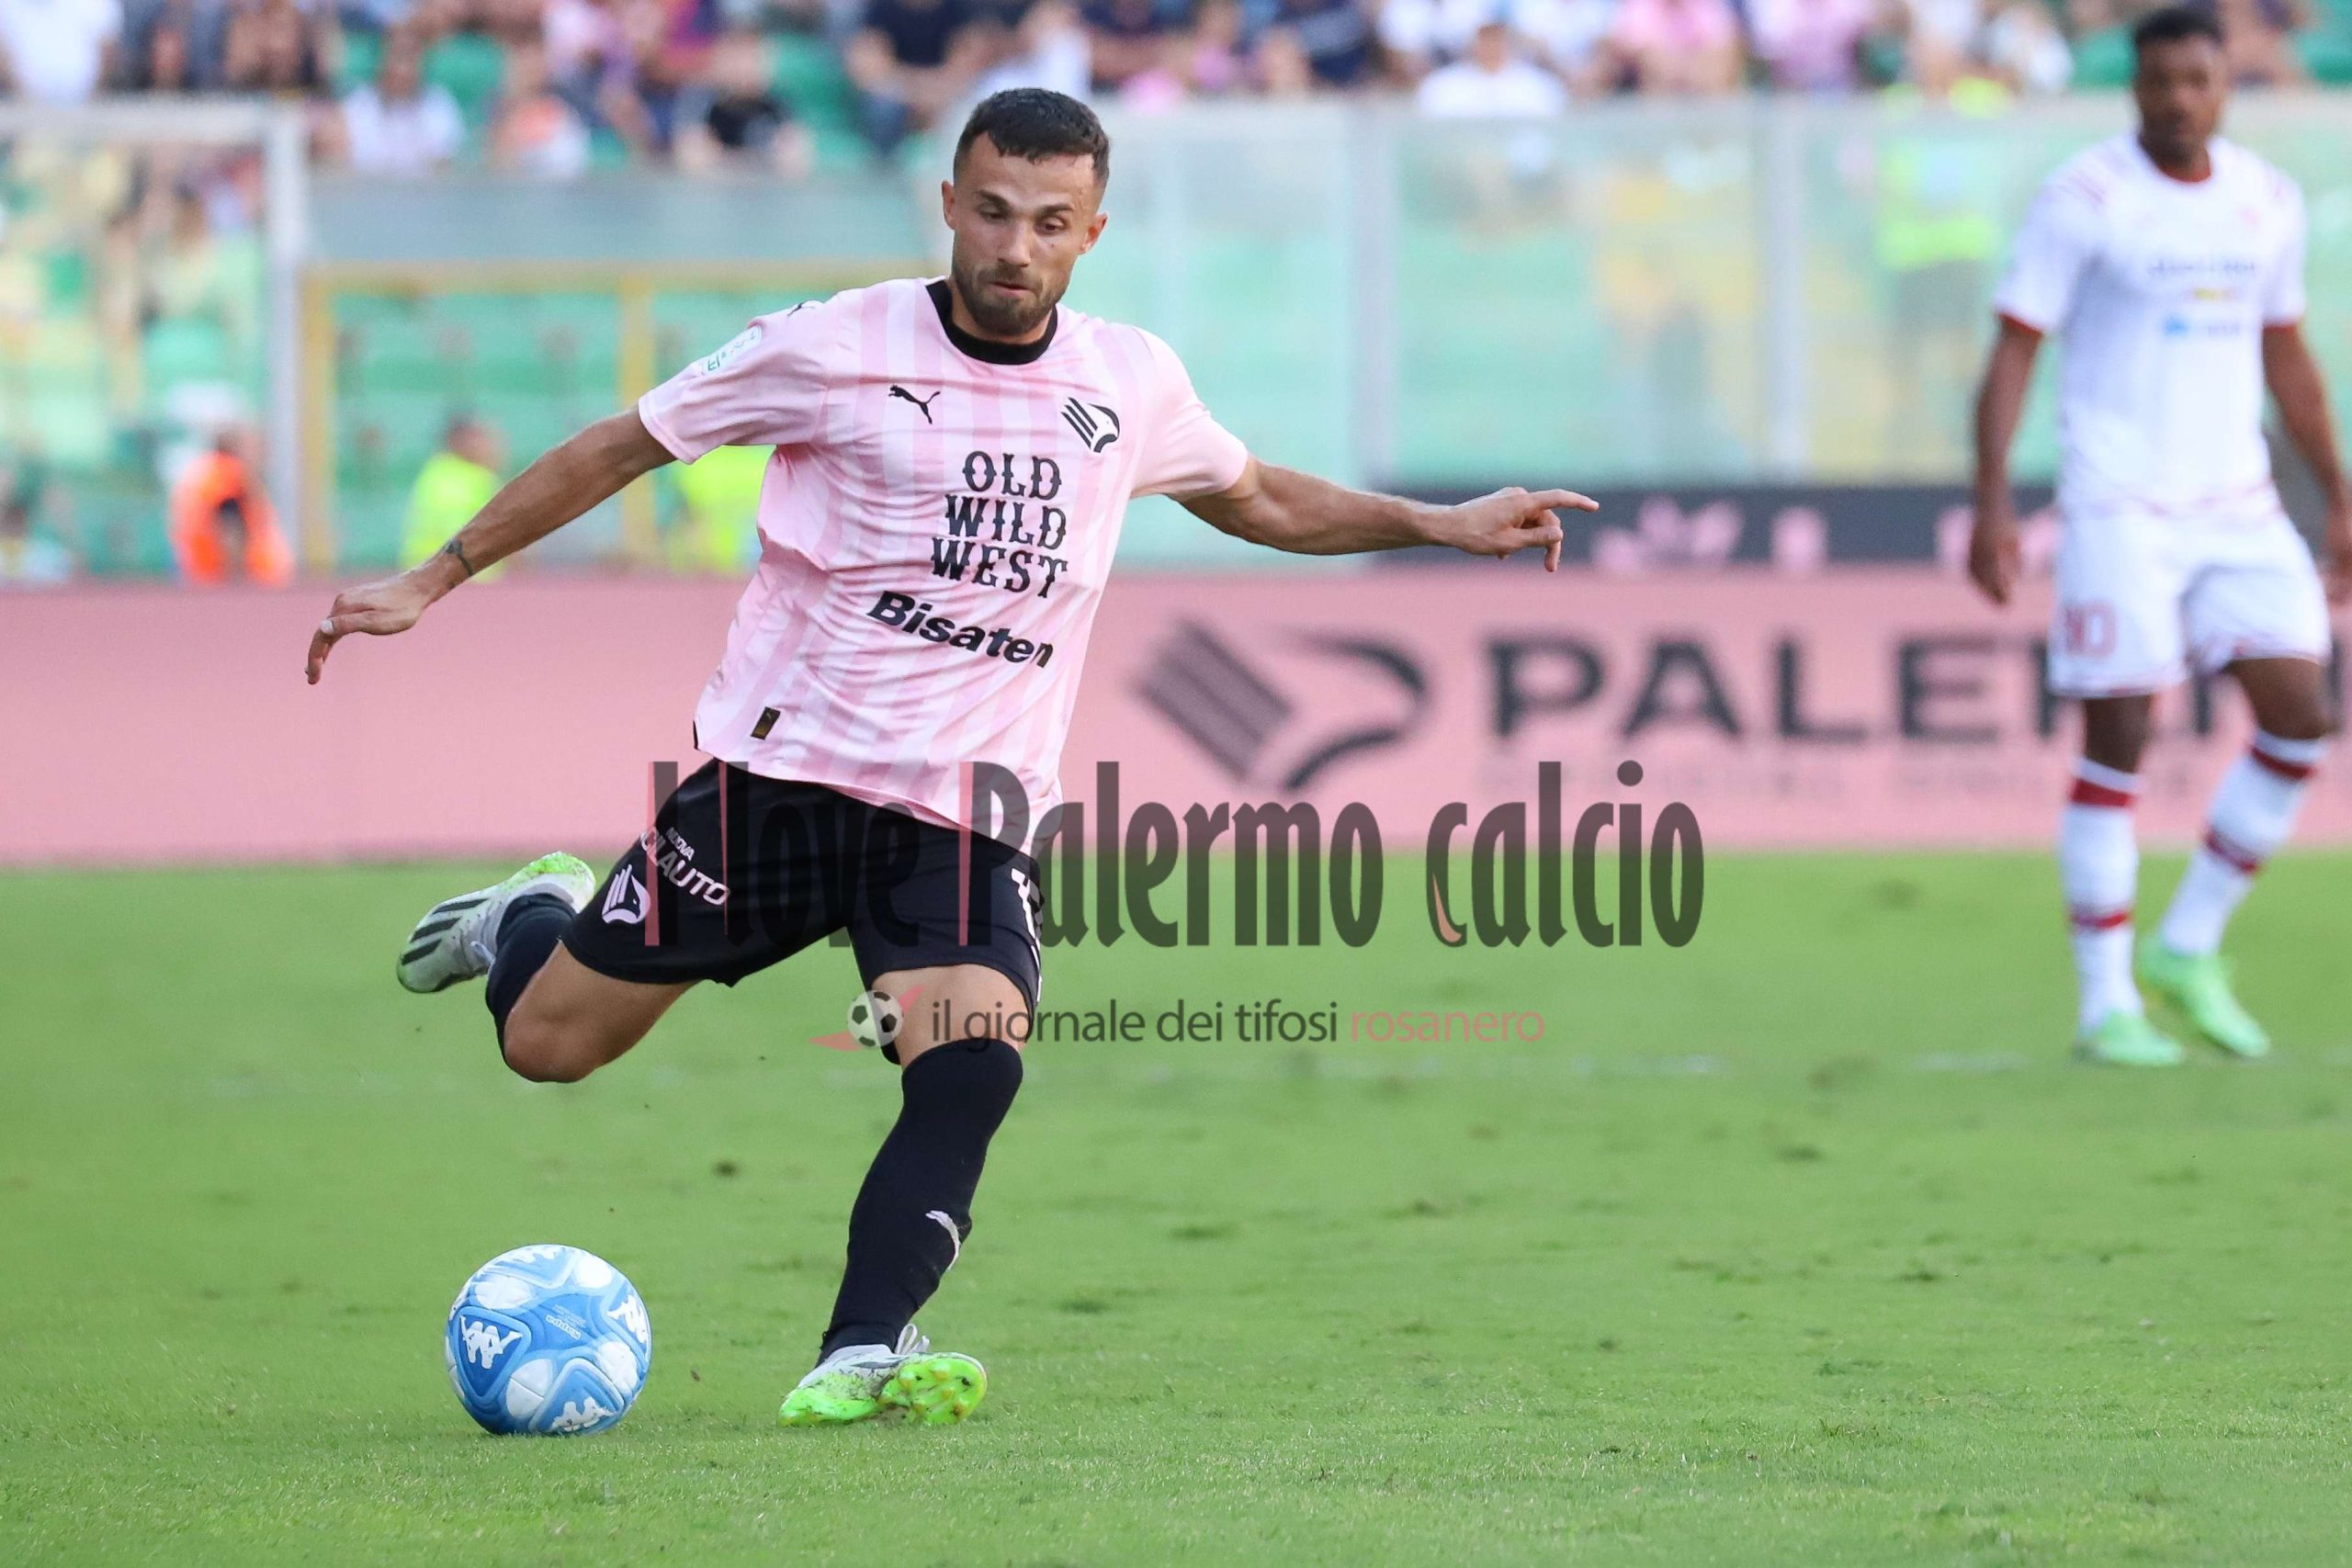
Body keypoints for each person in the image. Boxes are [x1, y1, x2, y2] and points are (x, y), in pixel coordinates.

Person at [304, 89, 1590, 1427]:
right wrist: (435, 574)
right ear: (948, 205)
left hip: (963, 814)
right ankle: (529, 916)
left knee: (974, 1054)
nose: (1012, 248)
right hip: (778, 788)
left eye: (1047, 222)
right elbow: (624, 443)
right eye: (990, 213)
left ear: (1091, 230)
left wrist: (1438, 524)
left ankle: (863, 1344)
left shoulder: (1130, 380)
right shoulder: (831, 344)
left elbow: (1257, 494)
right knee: (547, 1046)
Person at [1970, 6, 2349, 1067]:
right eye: (2160, 83)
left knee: (2298, 718)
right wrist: (1994, 501)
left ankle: (2187, 946)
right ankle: (2106, 1004)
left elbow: (2287, 358)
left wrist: (2338, 492)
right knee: (2121, 739)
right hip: (2117, 503)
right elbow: (2011, 353)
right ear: (2134, 88)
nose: (2179, 99)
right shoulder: (2086, 199)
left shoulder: (2265, 203)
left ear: (2224, 85)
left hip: (2236, 502)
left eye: (2198, 81)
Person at [172, 428, 294, 585]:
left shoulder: (203, 474)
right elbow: (230, 529)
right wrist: (236, 580)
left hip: (204, 575)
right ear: (237, 447)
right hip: (244, 579)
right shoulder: (230, 478)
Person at [400, 415, 505, 572]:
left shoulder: (437, 470)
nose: (490, 446)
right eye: (481, 438)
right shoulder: (469, 478)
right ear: (457, 441)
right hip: (459, 581)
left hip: (429, 577)